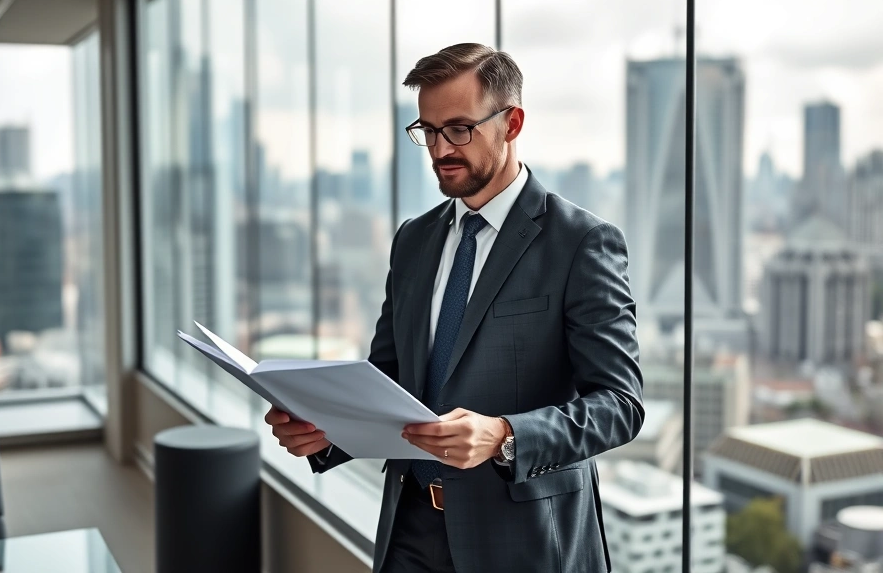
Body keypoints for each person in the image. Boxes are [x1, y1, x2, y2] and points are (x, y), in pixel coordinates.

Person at [264, 43, 644, 573]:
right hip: (410, 529)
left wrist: (505, 437)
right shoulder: (414, 240)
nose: (441, 148)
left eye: (459, 129)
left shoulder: (581, 242)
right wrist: (326, 432)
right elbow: (391, 380)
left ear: (511, 123)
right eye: (428, 130)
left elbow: (620, 406)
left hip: (525, 541)